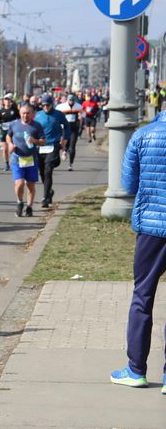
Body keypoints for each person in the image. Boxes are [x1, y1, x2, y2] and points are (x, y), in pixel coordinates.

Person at [111, 110, 166, 394]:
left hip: (152, 229)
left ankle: (135, 369)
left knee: (143, 296)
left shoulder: (143, 135)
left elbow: (129, 184)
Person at [6, 104, 46, 217]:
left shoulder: (36, 126)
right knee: (19, 184)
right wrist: (10, 144)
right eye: (23, 113)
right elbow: (8, 136)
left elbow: (43, 141)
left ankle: (29, 206)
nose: (25, 115)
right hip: (17, 159)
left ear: (32, 114)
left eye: (28, 113)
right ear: (20, 113)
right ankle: (19, 202)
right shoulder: (14, 124)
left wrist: (35, 140)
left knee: (30, 185)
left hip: (31, 159)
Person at [34, 94, 70, 208]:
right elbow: (33, 128)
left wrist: (65, 139)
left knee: (48, 170)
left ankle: (45, 197)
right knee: (42, 171)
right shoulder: (38, 115)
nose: (45, 107)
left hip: (53, 145)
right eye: (43, 105)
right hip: (40, 146)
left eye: (47, 105)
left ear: (52, 104)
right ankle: (48, 191)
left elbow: (67, 126)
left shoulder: (58, 115)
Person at [56, 94, 83, 171]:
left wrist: (80, 117)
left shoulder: (78, 106)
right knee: (64, 144)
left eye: (72, 100)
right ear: (67, 100)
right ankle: (64, 151)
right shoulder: (61, 107)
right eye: (70, 100)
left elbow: (83, 114)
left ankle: (70, 164)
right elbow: (56, 115)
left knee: (72, 146)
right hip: (64, 129)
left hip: (74, 129)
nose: (71, 102)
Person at [0, 95, 20, 171]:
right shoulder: (1, 111)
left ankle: (16, 162)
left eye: (9, 100)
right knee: (5, 149)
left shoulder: (15, 110)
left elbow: (19, 119)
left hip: (13, 131)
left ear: (11, 101)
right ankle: (6, 164)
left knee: (13, 148)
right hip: (4, 130)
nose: (7, 101)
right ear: (4, 101)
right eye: (6, 100)